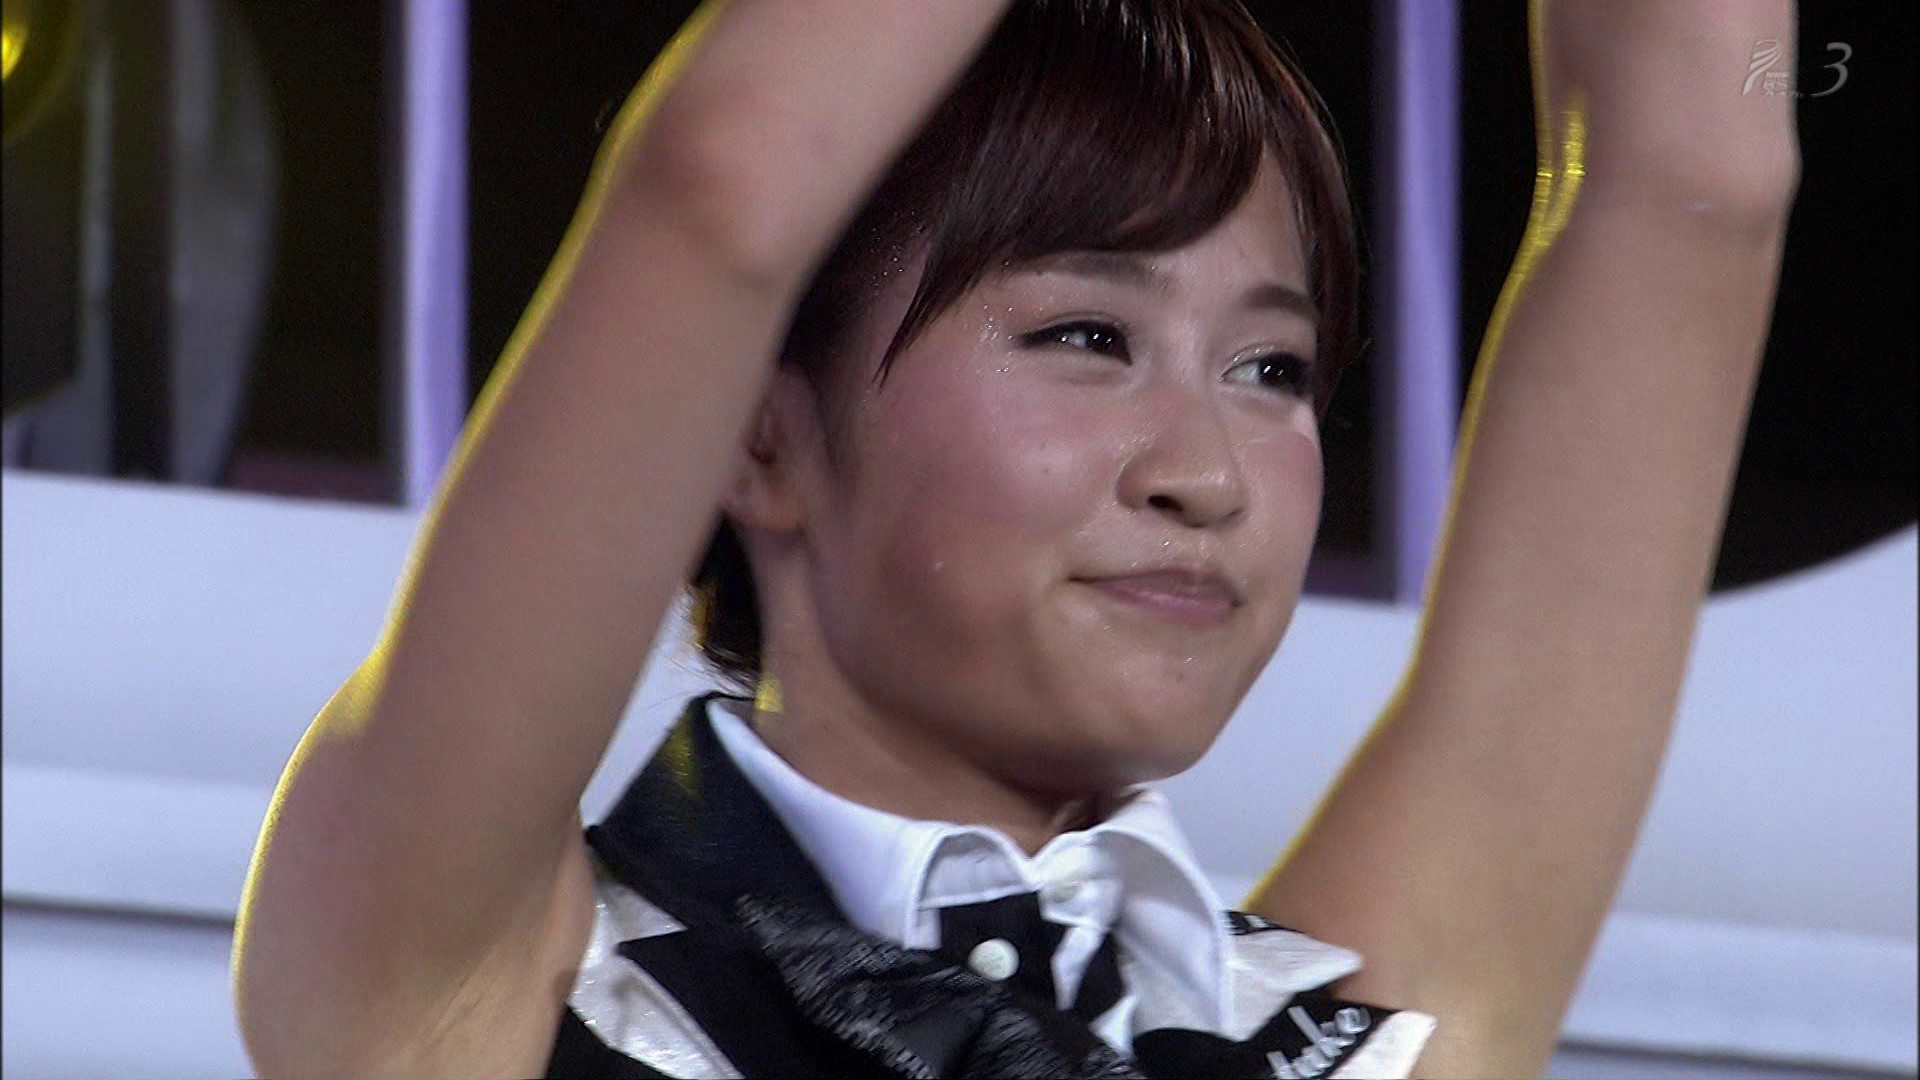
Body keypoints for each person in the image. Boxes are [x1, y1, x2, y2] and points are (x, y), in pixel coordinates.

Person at [231, 1, 1801, 1077]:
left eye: (1273, 370)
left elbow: (1699, 179)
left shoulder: (1332, 1040)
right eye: (1087, 337)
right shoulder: (479, 973)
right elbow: (728, 178)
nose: (1207, 473)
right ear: (758, 434)